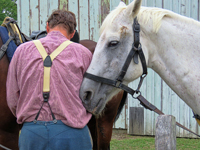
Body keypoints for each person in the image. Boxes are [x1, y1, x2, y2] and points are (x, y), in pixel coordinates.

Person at [6, 9, 93, 150]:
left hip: (32, 134)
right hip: (73, 133)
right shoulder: (83, 53)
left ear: (47, 27)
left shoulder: (21, 51)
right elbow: (92, 97)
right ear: (72, 34)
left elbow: (12, 97)